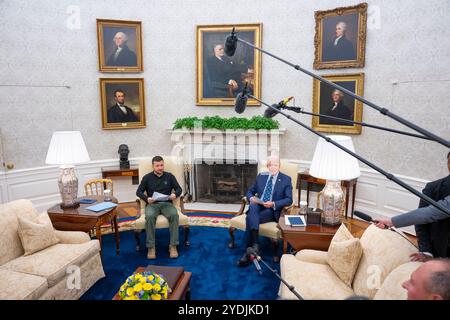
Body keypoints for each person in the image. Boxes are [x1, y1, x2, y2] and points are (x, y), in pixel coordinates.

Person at [237, 156, 293, 266]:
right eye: (270, 165)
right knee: (253, 206)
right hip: (259, 205)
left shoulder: (286, 179)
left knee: (250, 217)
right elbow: (250, 191)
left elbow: (289, 199)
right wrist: (251, 198)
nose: (272, 167)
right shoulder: (261, 177)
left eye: (275, 165)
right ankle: (256, 246)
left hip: (272, 210)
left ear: (279, 166)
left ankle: (247, 252)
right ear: (267, 166)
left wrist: (274, 203)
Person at [136, 156, 182, 259]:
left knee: (174, 215)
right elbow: (138, 192)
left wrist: (175, 194)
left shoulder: (170, 176)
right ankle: (151, 247)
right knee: (150, 217)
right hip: (153, 204)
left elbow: (179, 189)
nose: (160, 168)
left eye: (162, 165)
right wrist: (147, 198)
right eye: (157, 166)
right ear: (153, 166)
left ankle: (173, 245)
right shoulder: (147, 177)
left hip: (167, 204)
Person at [413, 152, 450, 261]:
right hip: (440, 252)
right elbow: (420, 221)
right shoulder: (432, 188)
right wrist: (426, 250)